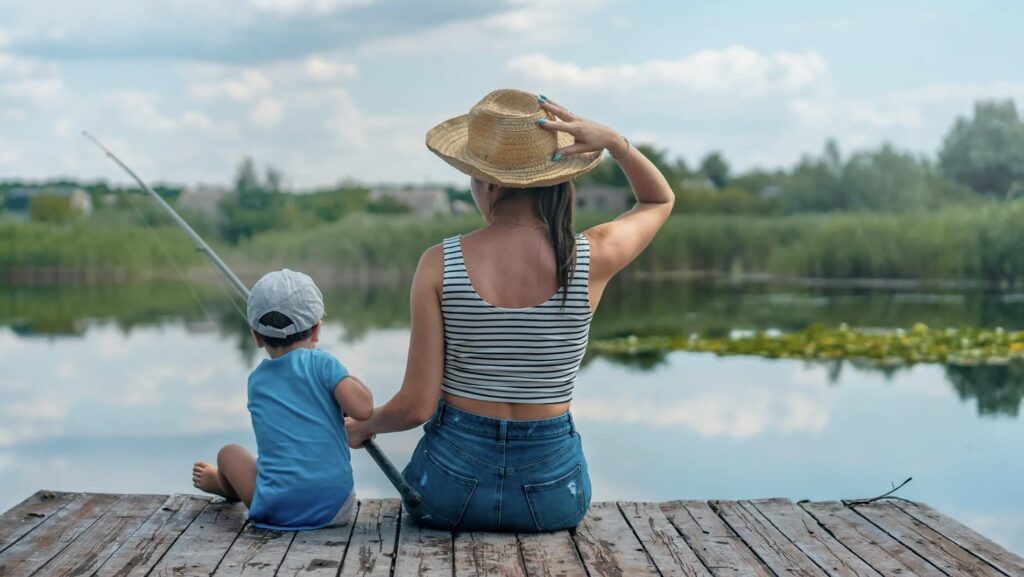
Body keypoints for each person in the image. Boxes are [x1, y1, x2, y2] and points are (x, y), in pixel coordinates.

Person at [346, 89, 674, 532]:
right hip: (554, 496)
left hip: (446, 492)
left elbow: (415, 406)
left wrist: (366, 426)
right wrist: (616, 142)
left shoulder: (440, 263)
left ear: (489, 182)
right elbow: (657, 200)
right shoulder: (592, 256)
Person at [192, 269, 374, 531]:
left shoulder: (256, 381)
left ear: (255, 336)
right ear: (316, 330)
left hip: (274, 510)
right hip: (335, 509)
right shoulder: (324, 364)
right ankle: (225, 486)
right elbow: (364, 408)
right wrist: (345, 377)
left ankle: (223, 486)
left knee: (228, 453)